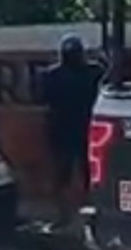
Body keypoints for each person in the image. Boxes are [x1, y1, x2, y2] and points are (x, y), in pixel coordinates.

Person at [41, 34, 104, 228]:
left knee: (61, 177)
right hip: (87, 129)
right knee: (91, 176)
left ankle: (62, 217)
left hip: (61, 130)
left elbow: (42, 98)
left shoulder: (51, 75)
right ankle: (94, 216)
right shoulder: (94, 71)